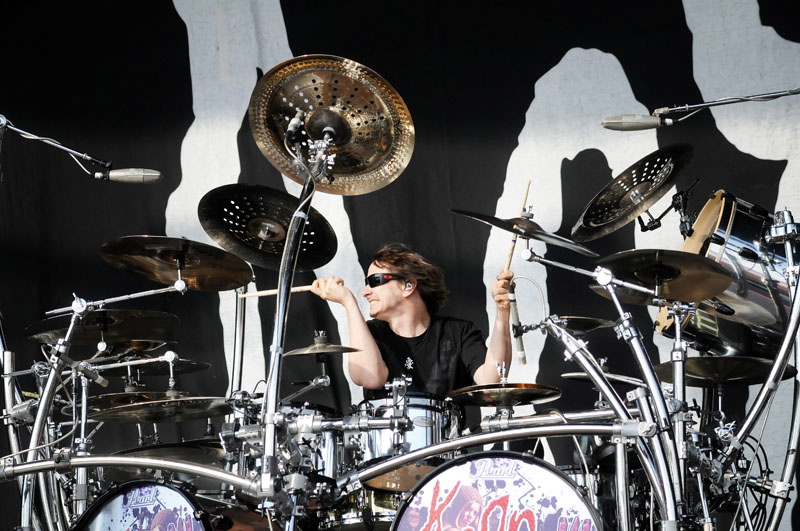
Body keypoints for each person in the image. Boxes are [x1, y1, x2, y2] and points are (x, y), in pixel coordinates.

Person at [310, 243, 513, 397]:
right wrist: (348, 302)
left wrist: (502, 311)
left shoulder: (457, 332)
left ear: (408, 285)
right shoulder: (371, 334)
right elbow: (370, 378)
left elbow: (491, 381)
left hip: (448, 440)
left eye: (374, 281)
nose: (365, 292)